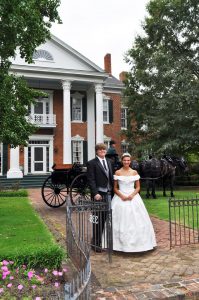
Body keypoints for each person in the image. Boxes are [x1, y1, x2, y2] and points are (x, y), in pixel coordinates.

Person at [112, 153, 157, 252]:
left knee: (138, 220)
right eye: (125, 160)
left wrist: (132, 195)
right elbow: (115, 188)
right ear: (122, 161)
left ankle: (140, 244)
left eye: (128, 160)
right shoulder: (118, 172)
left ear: (130, 161)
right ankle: (119, 245)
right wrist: (122, 196)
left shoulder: (134, 172)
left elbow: (138, 187)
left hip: (133, 197)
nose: (126, 162)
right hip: (120, 198)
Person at [87, 143, 114, 252]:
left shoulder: (109, 162)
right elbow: (91, 180)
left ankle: (103, 242)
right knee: (98, 219)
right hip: (98, 195)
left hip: (108, 194)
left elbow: (111, 178)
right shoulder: (92, 163)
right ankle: (96, 245)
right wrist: (95, 193)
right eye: (100, 149)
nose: (103, 151)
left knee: (107, 218)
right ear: (97, 151)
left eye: (104, 149)